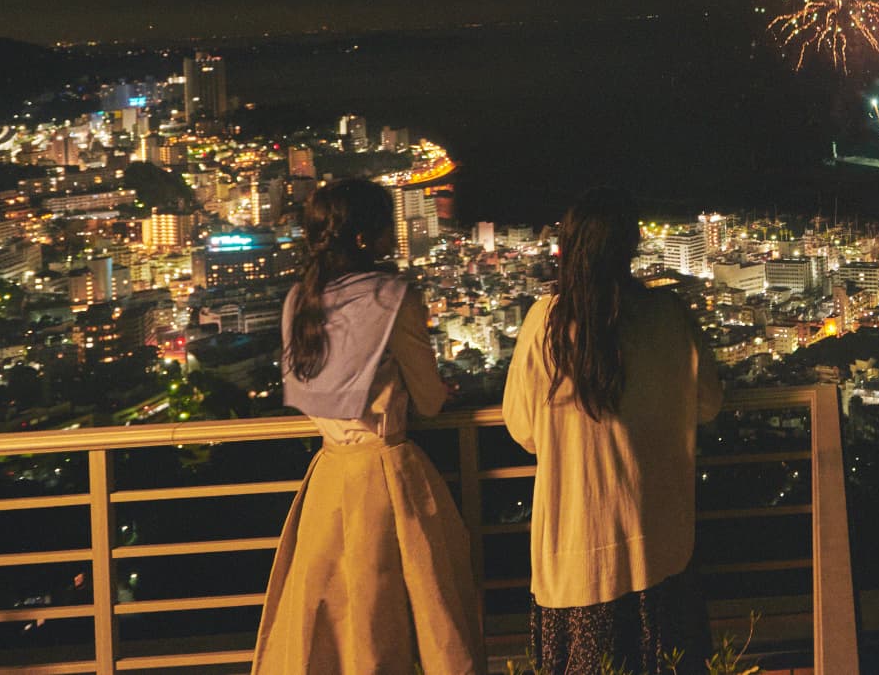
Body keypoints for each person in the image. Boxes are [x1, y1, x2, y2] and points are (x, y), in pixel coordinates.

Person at [252, 179, 484, 674]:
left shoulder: (300, 299)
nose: (394, 233)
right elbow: (429, 400)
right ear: (362, 235)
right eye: (385, 224)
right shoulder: (392, 297)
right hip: (389, 475)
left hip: (328, 477)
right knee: (420, 618)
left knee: (333, 622)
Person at [503, 187, 723, 674]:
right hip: (658, 545)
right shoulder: (667, 317)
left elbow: (522, 428)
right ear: (632, 245)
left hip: (577, 553)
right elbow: (707, 404)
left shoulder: (547, 323)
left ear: (569, 249)